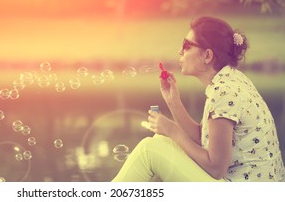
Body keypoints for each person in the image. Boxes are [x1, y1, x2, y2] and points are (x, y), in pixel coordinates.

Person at [112, 16, 285, 182]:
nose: (180, 51)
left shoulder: (224, 93)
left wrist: (173, 131)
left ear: (207, 56)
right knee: (160, 142)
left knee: (148, 150)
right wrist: (174, 102)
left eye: (187, 45)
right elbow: (203, 139)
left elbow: (216, 168)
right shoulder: (231, 79)